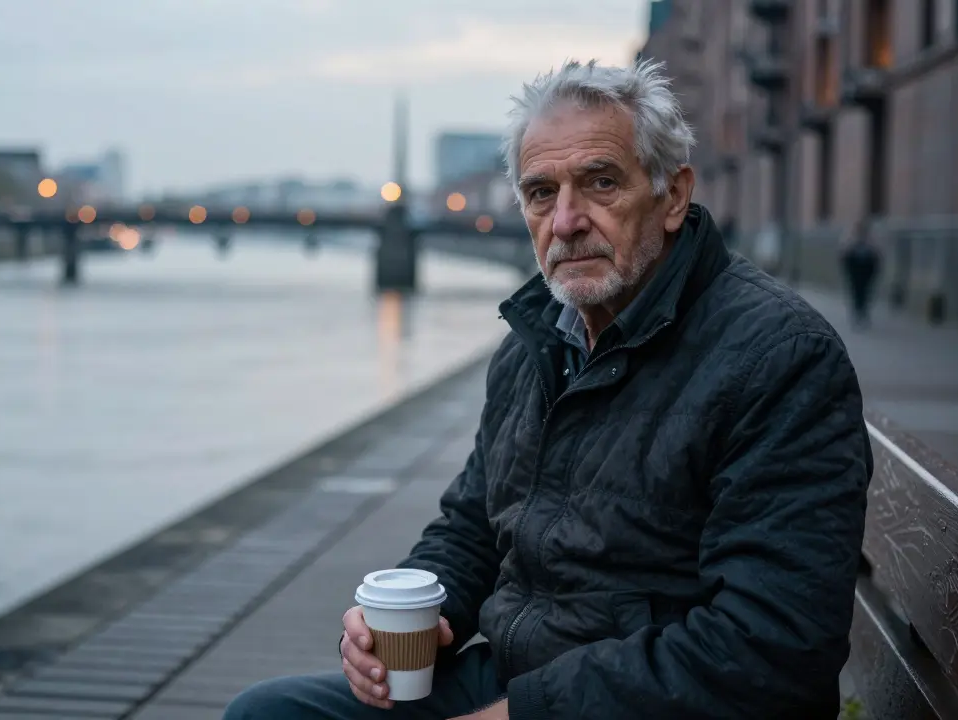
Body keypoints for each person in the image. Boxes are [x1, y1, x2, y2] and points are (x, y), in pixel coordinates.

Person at [225, 58, 871, 720]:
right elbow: (473, 526)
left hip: (650, 702)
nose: (565, 221)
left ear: (673, 196)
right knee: (266, 713)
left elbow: (769, 651)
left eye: (600, 183)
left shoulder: (780, 357)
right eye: (540, 193)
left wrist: (524, 713)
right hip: (521, 677)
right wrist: (424, 611)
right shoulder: (532, 346)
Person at [840, 217, 881, 329]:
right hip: (855, 269)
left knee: (865, 292)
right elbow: (845, 252)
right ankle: (857, 312)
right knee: (856, 291)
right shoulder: (851, 238)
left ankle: (862, 312)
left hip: (866, 269)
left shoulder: (871, 239)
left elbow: (876, 254)